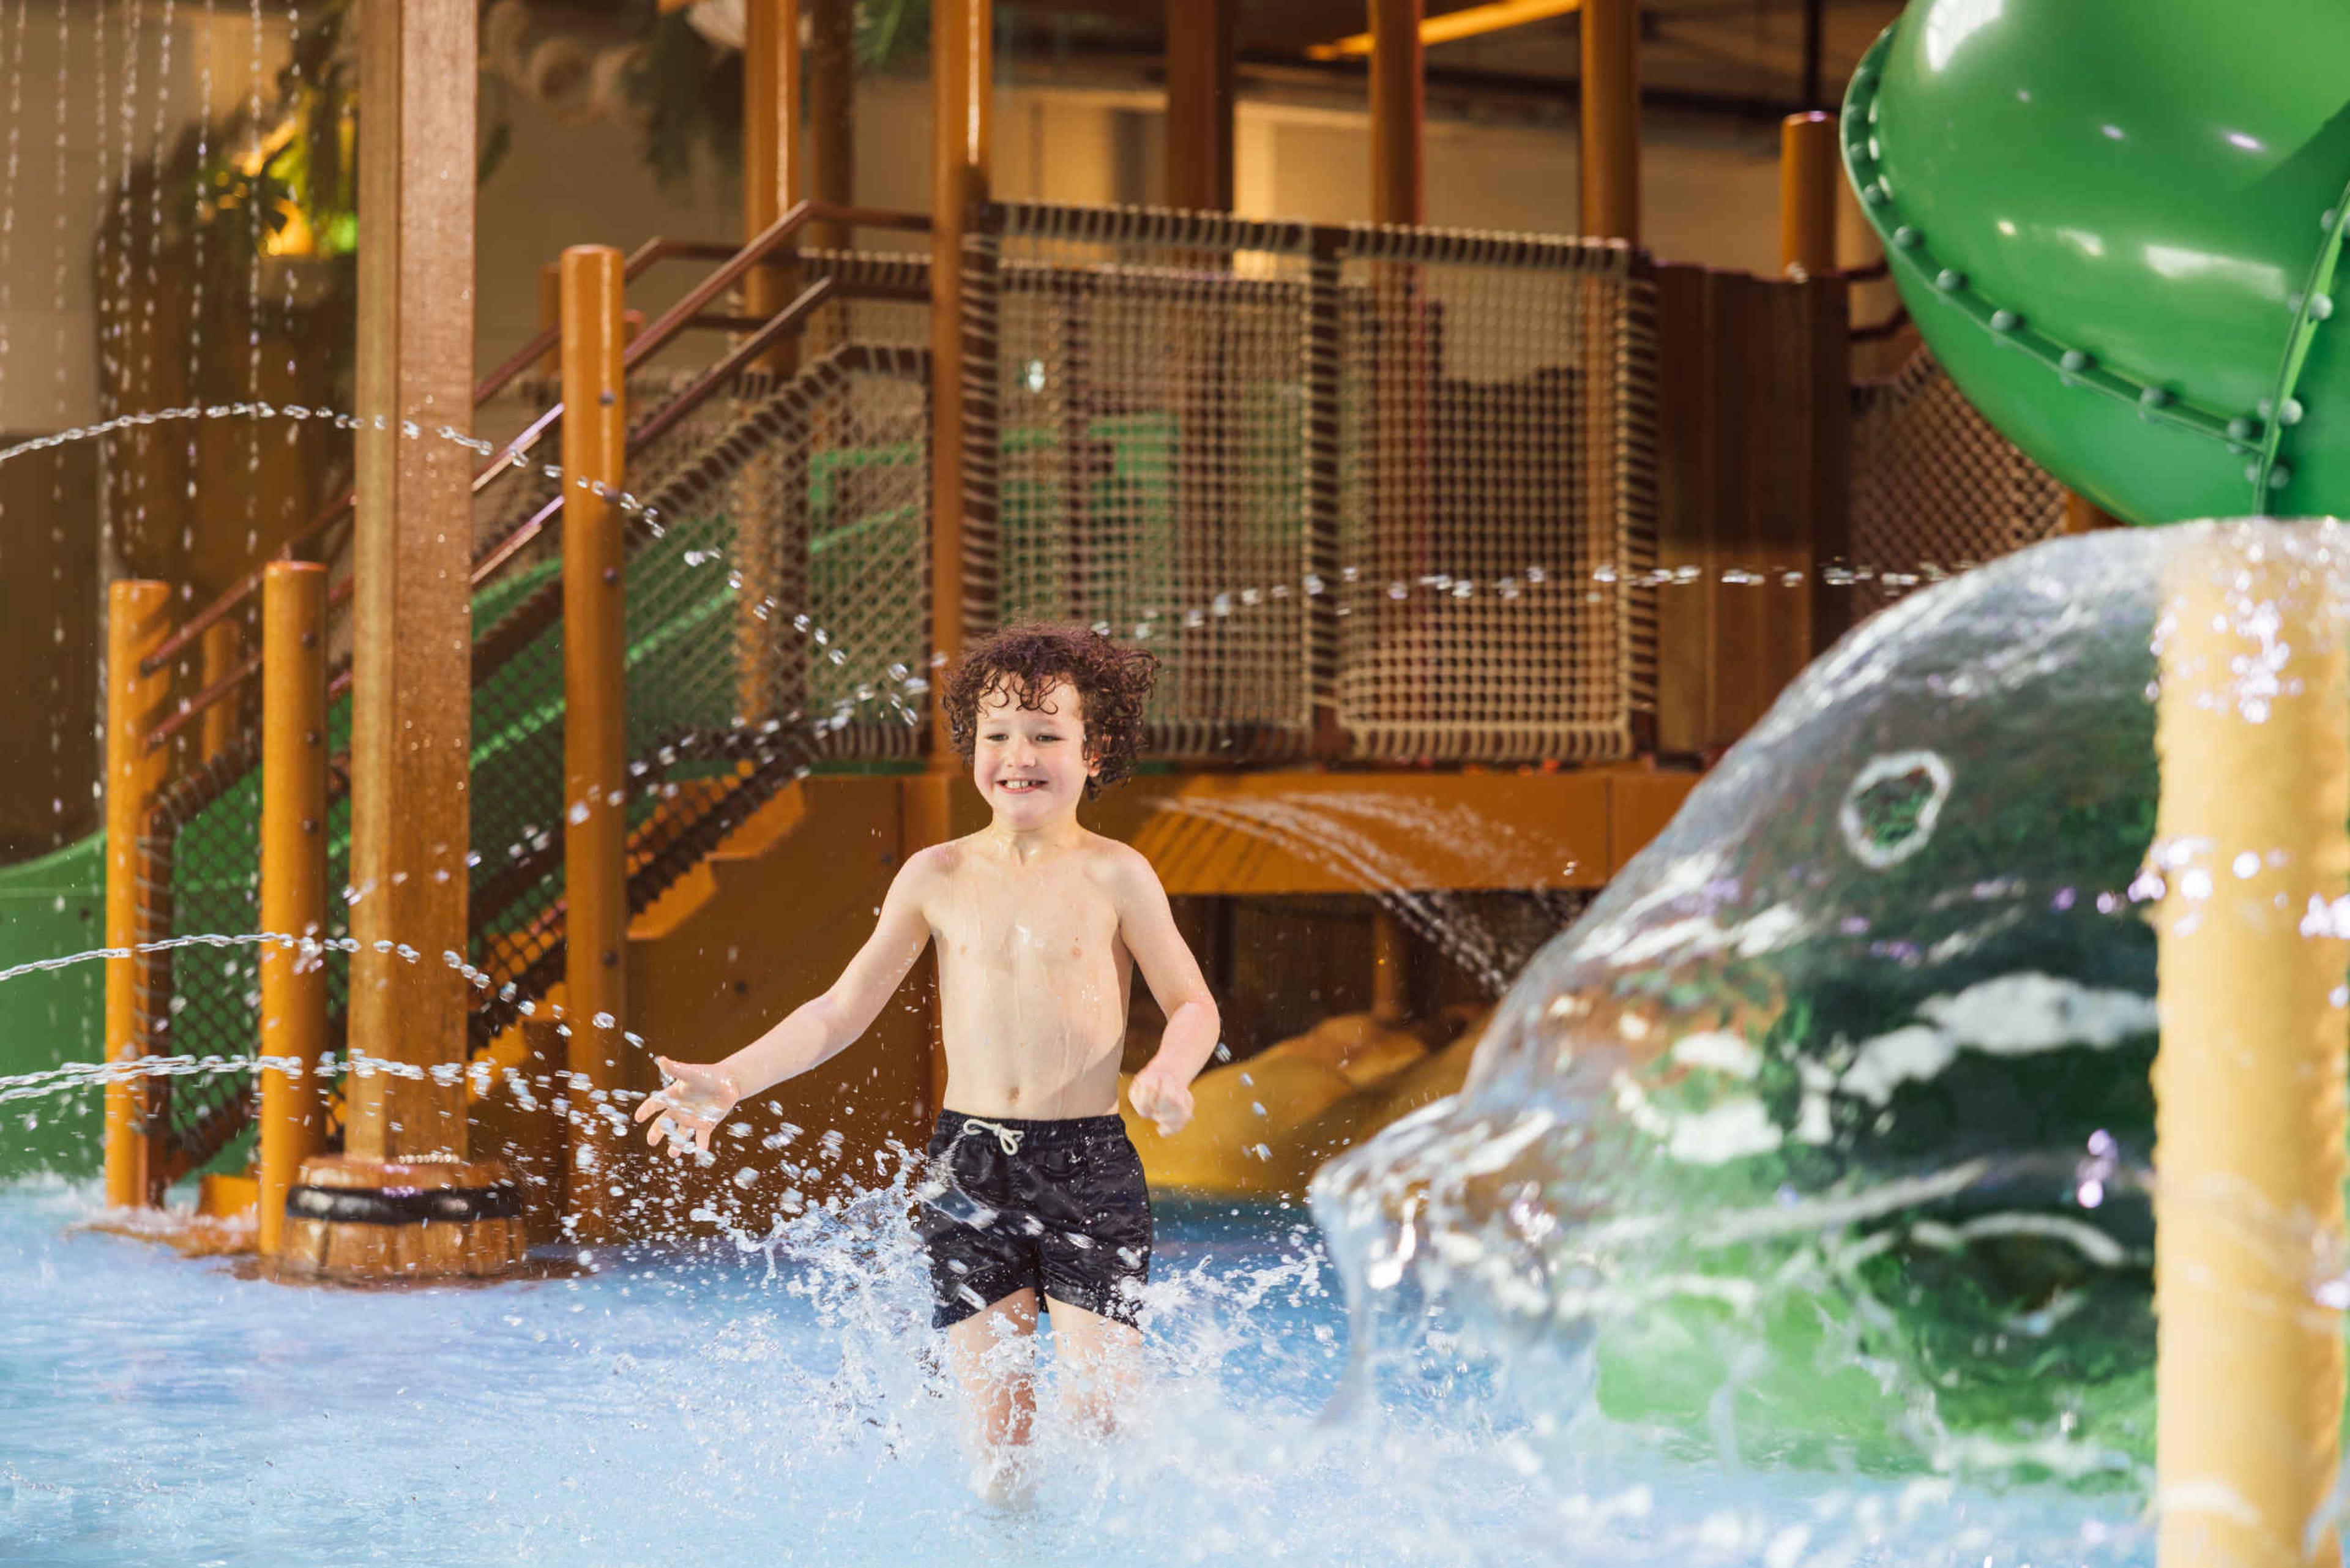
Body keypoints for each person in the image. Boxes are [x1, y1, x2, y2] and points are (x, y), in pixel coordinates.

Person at [632, 622, 1220, 1499]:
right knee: (998, 1456)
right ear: (970, 747)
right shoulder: (935, 876)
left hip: (1089, 1162)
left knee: (1105, 1420)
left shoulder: (1117, 875)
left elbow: (1193, 1002)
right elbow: (838, 1010)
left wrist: (1172, 1068)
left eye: (1046, 735)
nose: (1019, 754)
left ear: (1093, 752)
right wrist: (734, 1077)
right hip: (970, 1164)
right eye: (997, 735)